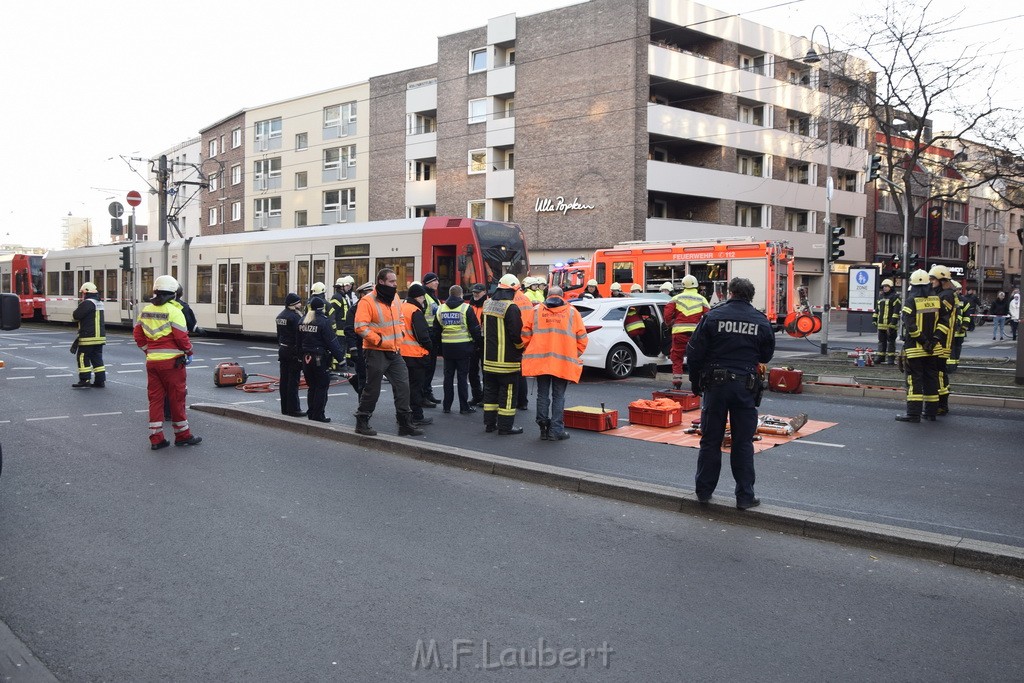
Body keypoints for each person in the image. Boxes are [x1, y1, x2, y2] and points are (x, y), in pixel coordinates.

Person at [686, 277, 775, 509]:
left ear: (729, 292)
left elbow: (694, 351)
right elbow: (765, 356)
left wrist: (696, 383)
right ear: (750, 296)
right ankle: (745, 497)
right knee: (743, 442)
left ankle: (703, 492)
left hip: (715, 386)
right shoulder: (761, 321)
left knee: (711, 440)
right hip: (745, 387)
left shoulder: (713, 316)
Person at [133, 275, 202, 450]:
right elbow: (181, 337)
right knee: (176, 399)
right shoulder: (174, 311)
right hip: (172, 364)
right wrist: (189, 351)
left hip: (152, 363)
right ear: (174, 293)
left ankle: (156, 439)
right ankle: (182, 435)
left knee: (155, 400)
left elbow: (138, 334)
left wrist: (148, 350)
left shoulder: (146, 310)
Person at [353, 268, 422, 437]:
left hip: (394, 350)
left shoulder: (395, 298)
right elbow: (360, 327)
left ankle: (405, 423)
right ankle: (362, 421)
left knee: (403, 386)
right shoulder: (367, 301)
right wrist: (380, 340)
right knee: (373, 389)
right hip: (376, 351)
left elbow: (399, 320)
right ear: (381, 282)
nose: (395, 285)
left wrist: (400, 336)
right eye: (391, 282)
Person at [521, 285, 588, 441]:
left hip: (541, 361)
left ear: (548, 295)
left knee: (542, 395)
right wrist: (573, 353)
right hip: (562, 363)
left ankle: (543, 428)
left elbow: (525, 334)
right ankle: (556, 430)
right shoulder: (572, 312)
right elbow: (583, 339)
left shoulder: (536, 310)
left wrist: (532, 348)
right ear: (562, 296)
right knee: (559, 396)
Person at [896, 269, 947, 423]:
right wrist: (934, 340)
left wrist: (923, 341)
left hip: (915, 349)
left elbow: (909, 326)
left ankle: (913, 414)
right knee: (931, 380)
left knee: (914, 381)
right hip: (933, 349)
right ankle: (930, 412)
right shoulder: (937, 300)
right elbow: (944, 323)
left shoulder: (911, 301)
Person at [481, 274, 526, 435]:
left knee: (490, 393)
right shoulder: (511, 307)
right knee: (508, 394)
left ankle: (490, 424)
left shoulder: (487, 304)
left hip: (489, 360)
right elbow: (516, 334)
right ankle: (505, 427)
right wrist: (521, 348)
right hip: (507, 362)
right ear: (512, 289)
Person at [432, 284, 482, 414]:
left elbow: (436, 332)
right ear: (460, 295)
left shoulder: (440, 309)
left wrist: (438, 348)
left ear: (449, 294)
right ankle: (464, 407)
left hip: (447, 348)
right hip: (464, 347)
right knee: (462, 378)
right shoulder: (466, 308)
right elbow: (475, 330)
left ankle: (447, 406)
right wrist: (478, 345)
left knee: (448, 377)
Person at [300, 296, 346, 423]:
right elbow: (332, 342)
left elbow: (298, 342)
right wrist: (341, 360)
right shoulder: (324, 321)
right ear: (322, 308)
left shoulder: (302, 320)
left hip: (305, 358)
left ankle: (311, 412)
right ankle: (318, 415)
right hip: (319, 359)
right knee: (322, 386)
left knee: (312, 387)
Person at [664, 275, 710, 390]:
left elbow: (667, 315)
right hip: (695, 335)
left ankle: (677, 381)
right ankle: (696, 381)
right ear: (696, 286)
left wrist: (670, 323)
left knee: (677, 356)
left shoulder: (676, 299)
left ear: (683, 285)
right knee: (696, 357)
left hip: (679, 333)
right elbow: (709, 317)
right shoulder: (702, 299)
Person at [400, 283, 434, 427]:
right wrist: (430, 348)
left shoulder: (401, 308)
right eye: (423, 298)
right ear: (418, 297)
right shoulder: (415, 311)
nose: (424, 301)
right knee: (416, 387)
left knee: (404, 387)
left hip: (401, 354)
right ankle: (417, 416)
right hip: (416, 355)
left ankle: (403, 415)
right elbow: (422, 335)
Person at [928, 265, 957, 414]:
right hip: (941, 339)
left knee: (939, 373)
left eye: (933, 279)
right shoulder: (942, 294)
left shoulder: (946, 295)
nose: (931, 281)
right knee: (938, 372)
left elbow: (941, 317)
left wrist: (935, 338)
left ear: (941, 280)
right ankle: (939, 403)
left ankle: (942, 405)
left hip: (942, 341)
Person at [275, 293, 306, 417]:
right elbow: (299, 337)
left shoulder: (280, 316)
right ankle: (294, 409)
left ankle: (284, 408)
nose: (300, 304)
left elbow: (278, 335)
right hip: (293, 351)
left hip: (283, 349)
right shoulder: (295, 317)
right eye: (299, 302)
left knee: (284, 380)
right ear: (293, 304)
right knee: (293, 381)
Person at [71, 282, 107, 388]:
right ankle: (100, 381)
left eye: (83, 293)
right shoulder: (99, 303)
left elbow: (76, 315)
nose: (82, 295)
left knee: (82, 357)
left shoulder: (87, 303)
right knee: (97, 358)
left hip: (88, 337)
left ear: (86, 292)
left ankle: (84, 380)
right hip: (99, 336)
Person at [344, 281, 374, 396]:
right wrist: (353, 349)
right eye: (369, 293)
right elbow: (349, 329)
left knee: (372, 376)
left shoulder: (374, 307)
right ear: (362, 294)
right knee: (363, 377)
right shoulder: (354, 309)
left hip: (373, 347)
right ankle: (362, 407)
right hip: (360, 347)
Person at [420, 273, 442, 406]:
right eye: (435, 281)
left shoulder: (433, 296)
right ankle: (424, 395)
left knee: (431, 367)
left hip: (433, 335)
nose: (437, 283)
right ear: (428, 282)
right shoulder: (424, 296)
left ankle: (428, 393)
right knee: (426, 368)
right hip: (428, 335)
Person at [326, 276, 356, 373]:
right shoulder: (337, 298)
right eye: (346, 286)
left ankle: (343, 363)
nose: (349, 287)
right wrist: (333, 327)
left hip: (343, 326)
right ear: (341, 287)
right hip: (339, 327)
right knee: (339, 347)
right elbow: (332, 313)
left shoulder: (342, 297)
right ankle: (337, 365)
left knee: (343, 347)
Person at [467, 283, 488, 406]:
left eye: (478, 292)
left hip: (484, 340)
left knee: (486, 371)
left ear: (484, 292)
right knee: (472, 371)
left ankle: (486, 397)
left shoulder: (488, 304)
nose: (475, 294)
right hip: (472, 341)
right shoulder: (470, 305)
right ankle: (477, 396)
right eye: (474, 292)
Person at [872, 278, 901, 365]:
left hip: (890, 325)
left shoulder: (895, 297)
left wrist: (893, 323)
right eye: (884, 286)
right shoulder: (881, 297)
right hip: (881, 325)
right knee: (881, 342)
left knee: (891, 342)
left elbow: (896, 312)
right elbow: (877, 310)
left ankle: (891, 358)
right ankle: (881, 357)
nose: (884, 288)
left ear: (891, 287)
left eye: (887, 286)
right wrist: (874, 319)